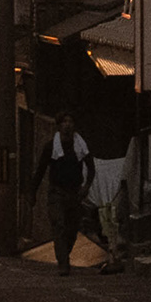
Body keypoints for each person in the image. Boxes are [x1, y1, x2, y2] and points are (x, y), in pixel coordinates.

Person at [37, 113, 96, 271]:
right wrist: (32, 192)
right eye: (64, 121)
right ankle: (63, 262)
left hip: (74, 193)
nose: (68, 125)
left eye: (70, 121)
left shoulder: (80, 146)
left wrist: (85, 187)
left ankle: (65, 254)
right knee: (59, 225)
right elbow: (40, 170)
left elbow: (91, 168)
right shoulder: (51, 147)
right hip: (57, 191)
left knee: (72, 228)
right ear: (59, 125)